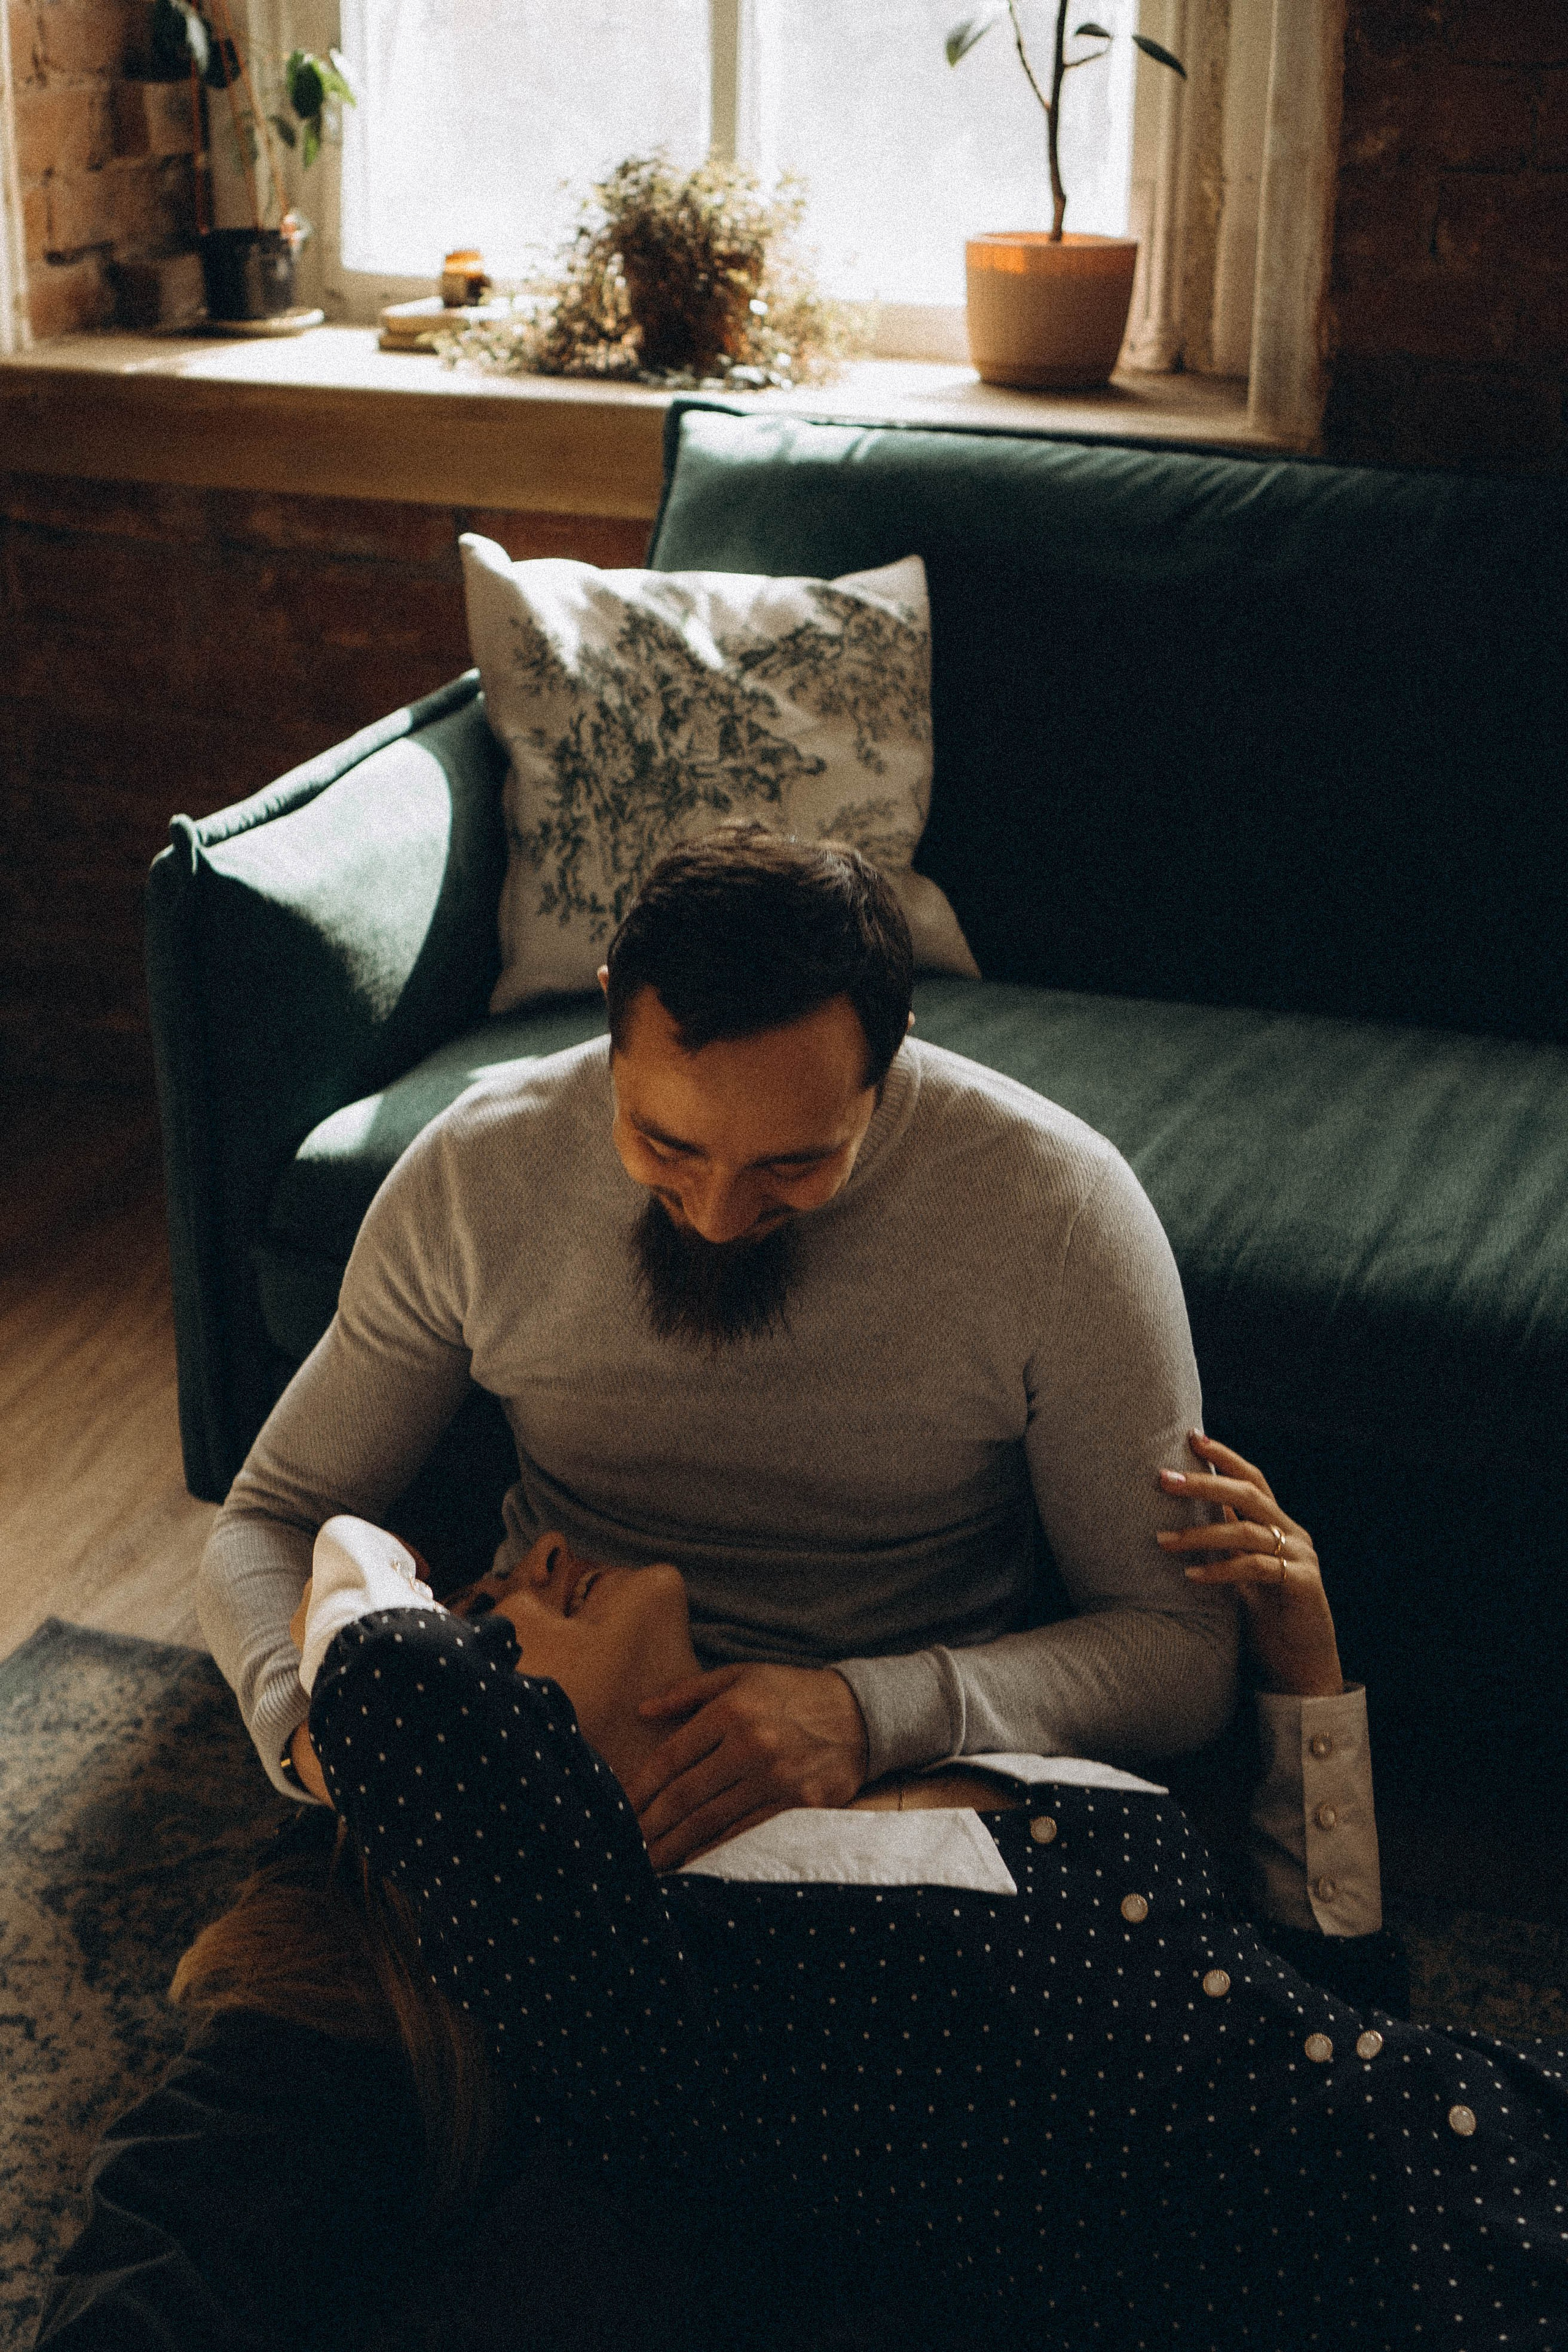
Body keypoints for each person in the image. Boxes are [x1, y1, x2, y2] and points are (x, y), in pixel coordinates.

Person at [39, 1441, 1567, 2351]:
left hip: (1507, 2127)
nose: (541, 1555)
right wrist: (356, 1567)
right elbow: (405, 1703)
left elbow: (1329, 2014)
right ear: (496, 1778)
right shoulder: (655, 1987)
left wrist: (1303, 1670)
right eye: (491, 1607)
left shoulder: (956, 1769)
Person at [201, 826, 1241, 1869]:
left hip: (883, 1785)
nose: (714, 1212)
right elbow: (268, 1519)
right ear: (610, 1012)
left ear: (892, 1054)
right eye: (665, 1145)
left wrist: (870, 1713)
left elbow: (1182, 1652)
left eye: (794, 1163)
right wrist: (317, 1741)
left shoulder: (1059, 1212)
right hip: (535, 1763)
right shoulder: (478, 1173)